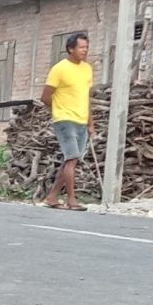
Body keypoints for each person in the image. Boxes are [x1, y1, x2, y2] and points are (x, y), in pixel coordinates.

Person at [39, 32, 95, 211]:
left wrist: (90, 122)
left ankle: (52, 197)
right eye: (81, 47)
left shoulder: (87, 69)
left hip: (81, 120)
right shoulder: (59, 69)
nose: (85, 51)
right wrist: (58, 111)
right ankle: (72, 200)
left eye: (86, 47)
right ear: (71, 49)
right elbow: (46, 97)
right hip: (64, 119)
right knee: (71, 159)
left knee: (72, 160)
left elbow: (86, 97)